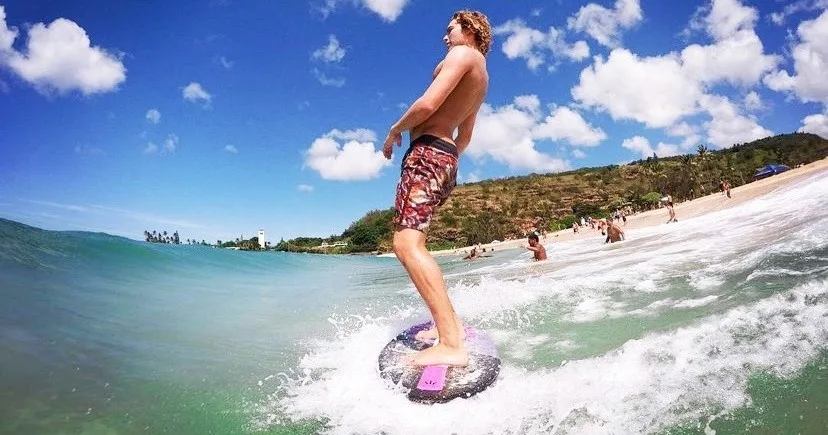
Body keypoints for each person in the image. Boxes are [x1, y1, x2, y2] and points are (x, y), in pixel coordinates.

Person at [382, 10, 492, 367]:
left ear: (470, 29)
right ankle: (451, 327)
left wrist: (395, 130)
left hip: (427, 154)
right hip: (444, 158)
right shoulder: (481, 77)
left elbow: (428, 104)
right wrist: (445, 160)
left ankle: (451, 344)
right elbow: (466, 136)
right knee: (414, 243)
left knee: (406, 244)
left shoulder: (461, 54)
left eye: (450, 29)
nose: (445, 37)